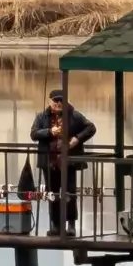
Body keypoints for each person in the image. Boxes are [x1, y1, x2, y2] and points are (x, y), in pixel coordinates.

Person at [30, 88, 96, 236]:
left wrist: (77, 139)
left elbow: (91, 128)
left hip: (69, 162)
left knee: (70, 193)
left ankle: (71, 225)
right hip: (50, 162)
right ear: (50, 102)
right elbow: (33, 134)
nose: (59, 103)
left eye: (61, 100)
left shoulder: (74, 115)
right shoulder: (41, 117)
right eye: (56, 100)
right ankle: (55, 225)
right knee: (52, 194)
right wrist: (49, 132)